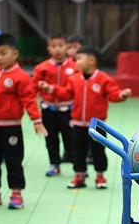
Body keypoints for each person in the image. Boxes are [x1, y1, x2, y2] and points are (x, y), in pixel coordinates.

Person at [0, 33, 47, 210]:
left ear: (15, 54)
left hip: (11, 128)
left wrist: (37, 120)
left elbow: (29, 100)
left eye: (3, 53)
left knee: (13, 160)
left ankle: (16, 193)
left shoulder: (21, 77)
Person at [56, 46, 130, 189]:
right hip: (78, 124)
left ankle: (100, 175)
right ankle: (79, 175)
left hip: (97, 126)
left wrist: (122, 95)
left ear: (91, 60)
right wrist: (51, 89)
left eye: (79, 59)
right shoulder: (74, 79)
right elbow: (65, 93)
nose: (76, 62)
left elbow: (113, 94)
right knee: (78, 151)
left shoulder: (103, 79)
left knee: (98, 150)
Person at [33, 33, 76, 177]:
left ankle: (78, 167)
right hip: (48, 109)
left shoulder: (75, 67)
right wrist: (38, 87)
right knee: (51, 139)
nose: (57, 49)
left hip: (67, 110)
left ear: (67, 48)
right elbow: (33, 88)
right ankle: (55, 164)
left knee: (70, 138)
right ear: (48, 49)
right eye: (53, 46)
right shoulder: (41, 68)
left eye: (60, 45)